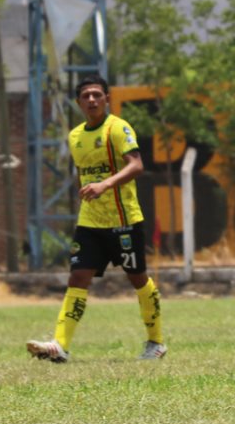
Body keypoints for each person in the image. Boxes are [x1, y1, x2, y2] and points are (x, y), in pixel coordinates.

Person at [26, 74, 167, 363]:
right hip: (90, 222)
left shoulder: (118, 128)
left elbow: (137, 165)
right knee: (78, 276)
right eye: (86, 96)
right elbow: (84, 173)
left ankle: (156, 342)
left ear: (106, 99)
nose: (91, 99)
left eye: (96, 95)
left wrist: (104, 185)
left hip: (124, 220)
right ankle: (60, 345)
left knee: (138, 279)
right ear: (78, 103)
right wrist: (90, 189)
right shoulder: (75, 135)